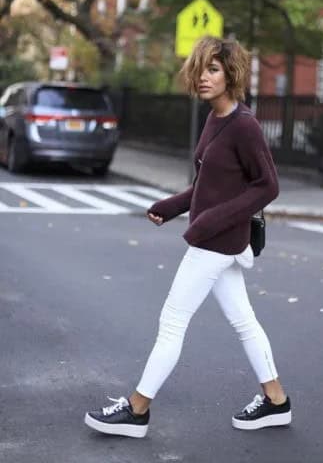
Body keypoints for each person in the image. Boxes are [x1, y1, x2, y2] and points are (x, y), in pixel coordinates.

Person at [84, 37, 291, 438]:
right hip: (217, 238)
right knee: (244, 321)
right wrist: (174, 205)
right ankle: (276, 401)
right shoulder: (215, 119)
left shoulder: (244, 126)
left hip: (216, 242)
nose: (202, 77)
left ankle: (137, 410)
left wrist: (208, 222)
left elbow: (267, 187)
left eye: (212, 69)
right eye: (199, 69)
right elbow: (207, 183)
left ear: (232, 74)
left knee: (172, 322)